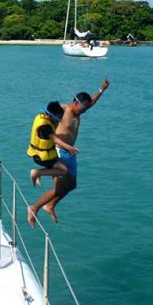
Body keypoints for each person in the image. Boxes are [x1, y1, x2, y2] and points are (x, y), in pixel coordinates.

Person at [28, 77, 110, 225]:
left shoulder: (79, 111)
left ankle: (50, 205)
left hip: (70, 153)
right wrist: (48, 113)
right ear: (75, 102)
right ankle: (35, 207)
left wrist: (101, 90)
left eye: (86, 108)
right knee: (60, 187)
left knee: (71, 185)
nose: (84, 110)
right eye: (82, 107)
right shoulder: (64, 110)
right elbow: (52, 108)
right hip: (61, 151)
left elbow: (91, 102)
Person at [26, 101, 78, 228]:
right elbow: (54, 138)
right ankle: (37, 173)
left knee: (68, 180)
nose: (60, 119)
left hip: (45, 155)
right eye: (59, 117)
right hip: (43, 158)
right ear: (53, 115)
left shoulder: (41, 116)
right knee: (64, 170)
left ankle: (47, 205)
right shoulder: (45, 126)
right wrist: (69, 147)